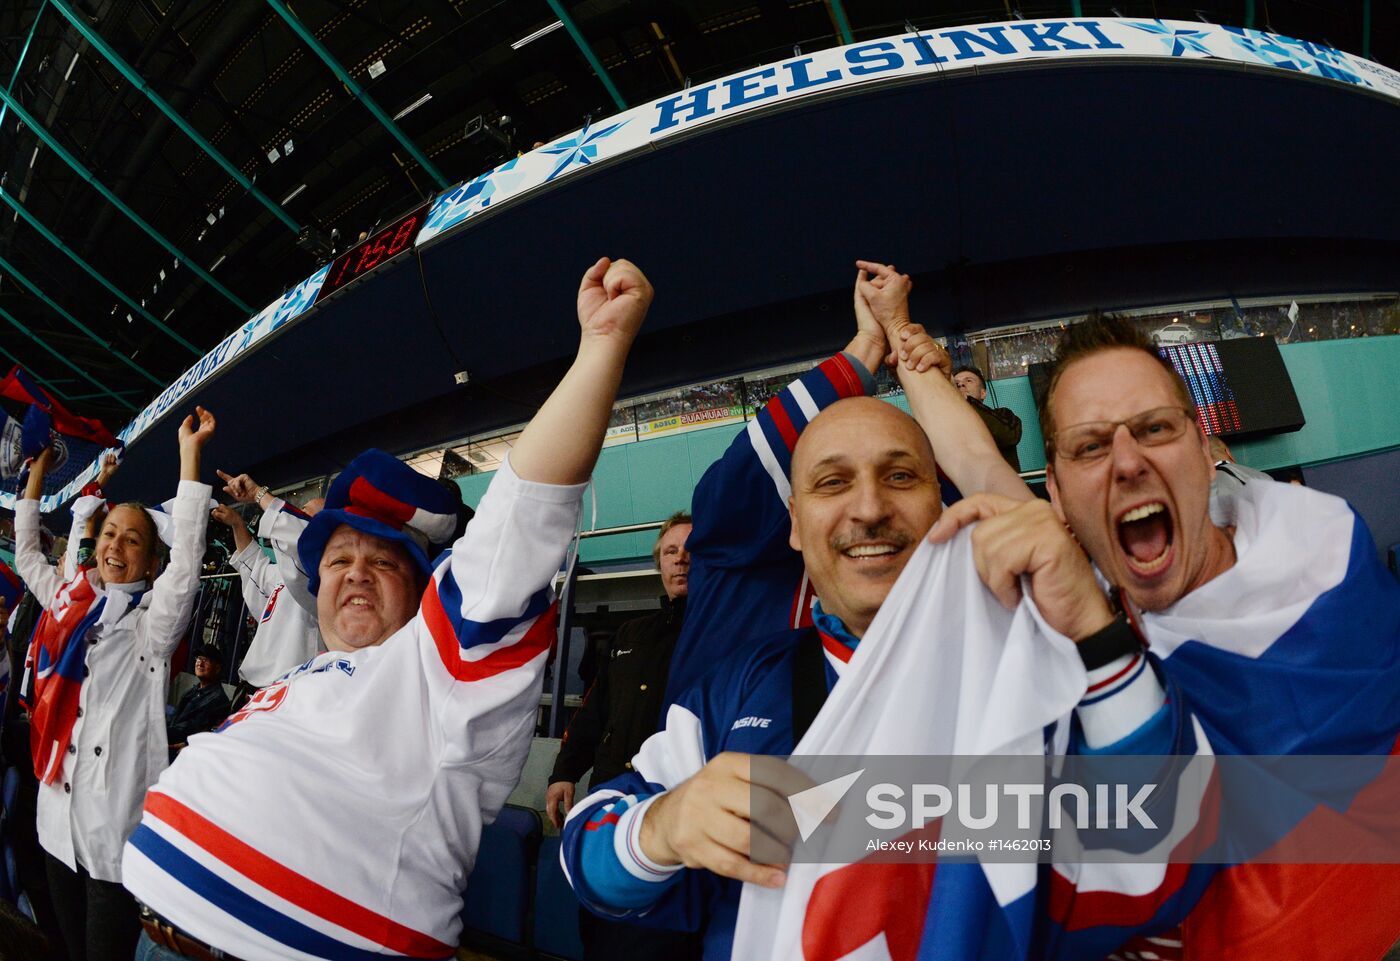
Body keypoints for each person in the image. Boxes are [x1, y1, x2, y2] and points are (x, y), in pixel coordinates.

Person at [561, 264, 1173, 958]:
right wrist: (660, 829)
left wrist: (1094, 635)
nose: (870, 508)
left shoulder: (1042, 656)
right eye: (832, 482)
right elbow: (585, 856)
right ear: (793, 523)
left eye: (902, 476)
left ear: (944, 504)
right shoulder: (737, 692)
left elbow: (1159, 828)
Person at [121, 257, 655, 961]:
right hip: (154, 928)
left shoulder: (442, 671)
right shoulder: (307, 677)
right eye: (339, 560)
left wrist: (601, 349)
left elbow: (514, 531)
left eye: (382, 561)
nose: (355, 575)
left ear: (426, 590)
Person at [930, 315, 1400, 959]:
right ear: (1057, 498)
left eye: (1154, 428)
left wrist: (1099, 636)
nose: (1127, 462)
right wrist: (901, 339)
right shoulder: (1084, 585)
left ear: (1207, 454)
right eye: (1090, 447)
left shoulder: (1325, 572)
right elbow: (975, 460)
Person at [12, 410, 215, 961]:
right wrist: (37, 473)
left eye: (132, 541)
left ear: (151, 559)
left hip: (111, 841)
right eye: (108, 534)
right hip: (55, 822)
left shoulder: (152, 625)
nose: (115, 548)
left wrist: (189, 457)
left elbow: (188, 564)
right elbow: (27, 551)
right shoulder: (65, 599)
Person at [547, 512, 699, 961]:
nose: (681, 560)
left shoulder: (716, 634)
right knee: (600, 933)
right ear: (660, 563)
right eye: (671, 552)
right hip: (611, 801)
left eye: (692, 550)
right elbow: (595, 712)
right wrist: (564, 773)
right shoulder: (630, 633)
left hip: (675, 812)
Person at [209, 495, 323, 688]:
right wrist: (237, 524)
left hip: (292, 687)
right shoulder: (283, 574)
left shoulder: (323, 577)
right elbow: (255, 566)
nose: (297, 515)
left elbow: (299, 539)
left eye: (306, 513)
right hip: (255, 686)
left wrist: (258, 493)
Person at [952, 364, 1023, 470]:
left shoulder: (1003, 415)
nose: (961, 385)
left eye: (969, 381)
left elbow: (1009, 437)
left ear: (983, 393)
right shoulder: (946, 424)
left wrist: (969, 403)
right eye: (956, 383)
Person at [164, 645, 231, 755]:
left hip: (184, 750)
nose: (200, 663)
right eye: (199, 658)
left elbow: (194, 730)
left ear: (217, 668)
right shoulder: (194, 690)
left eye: (206, 660)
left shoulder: (218, 700)